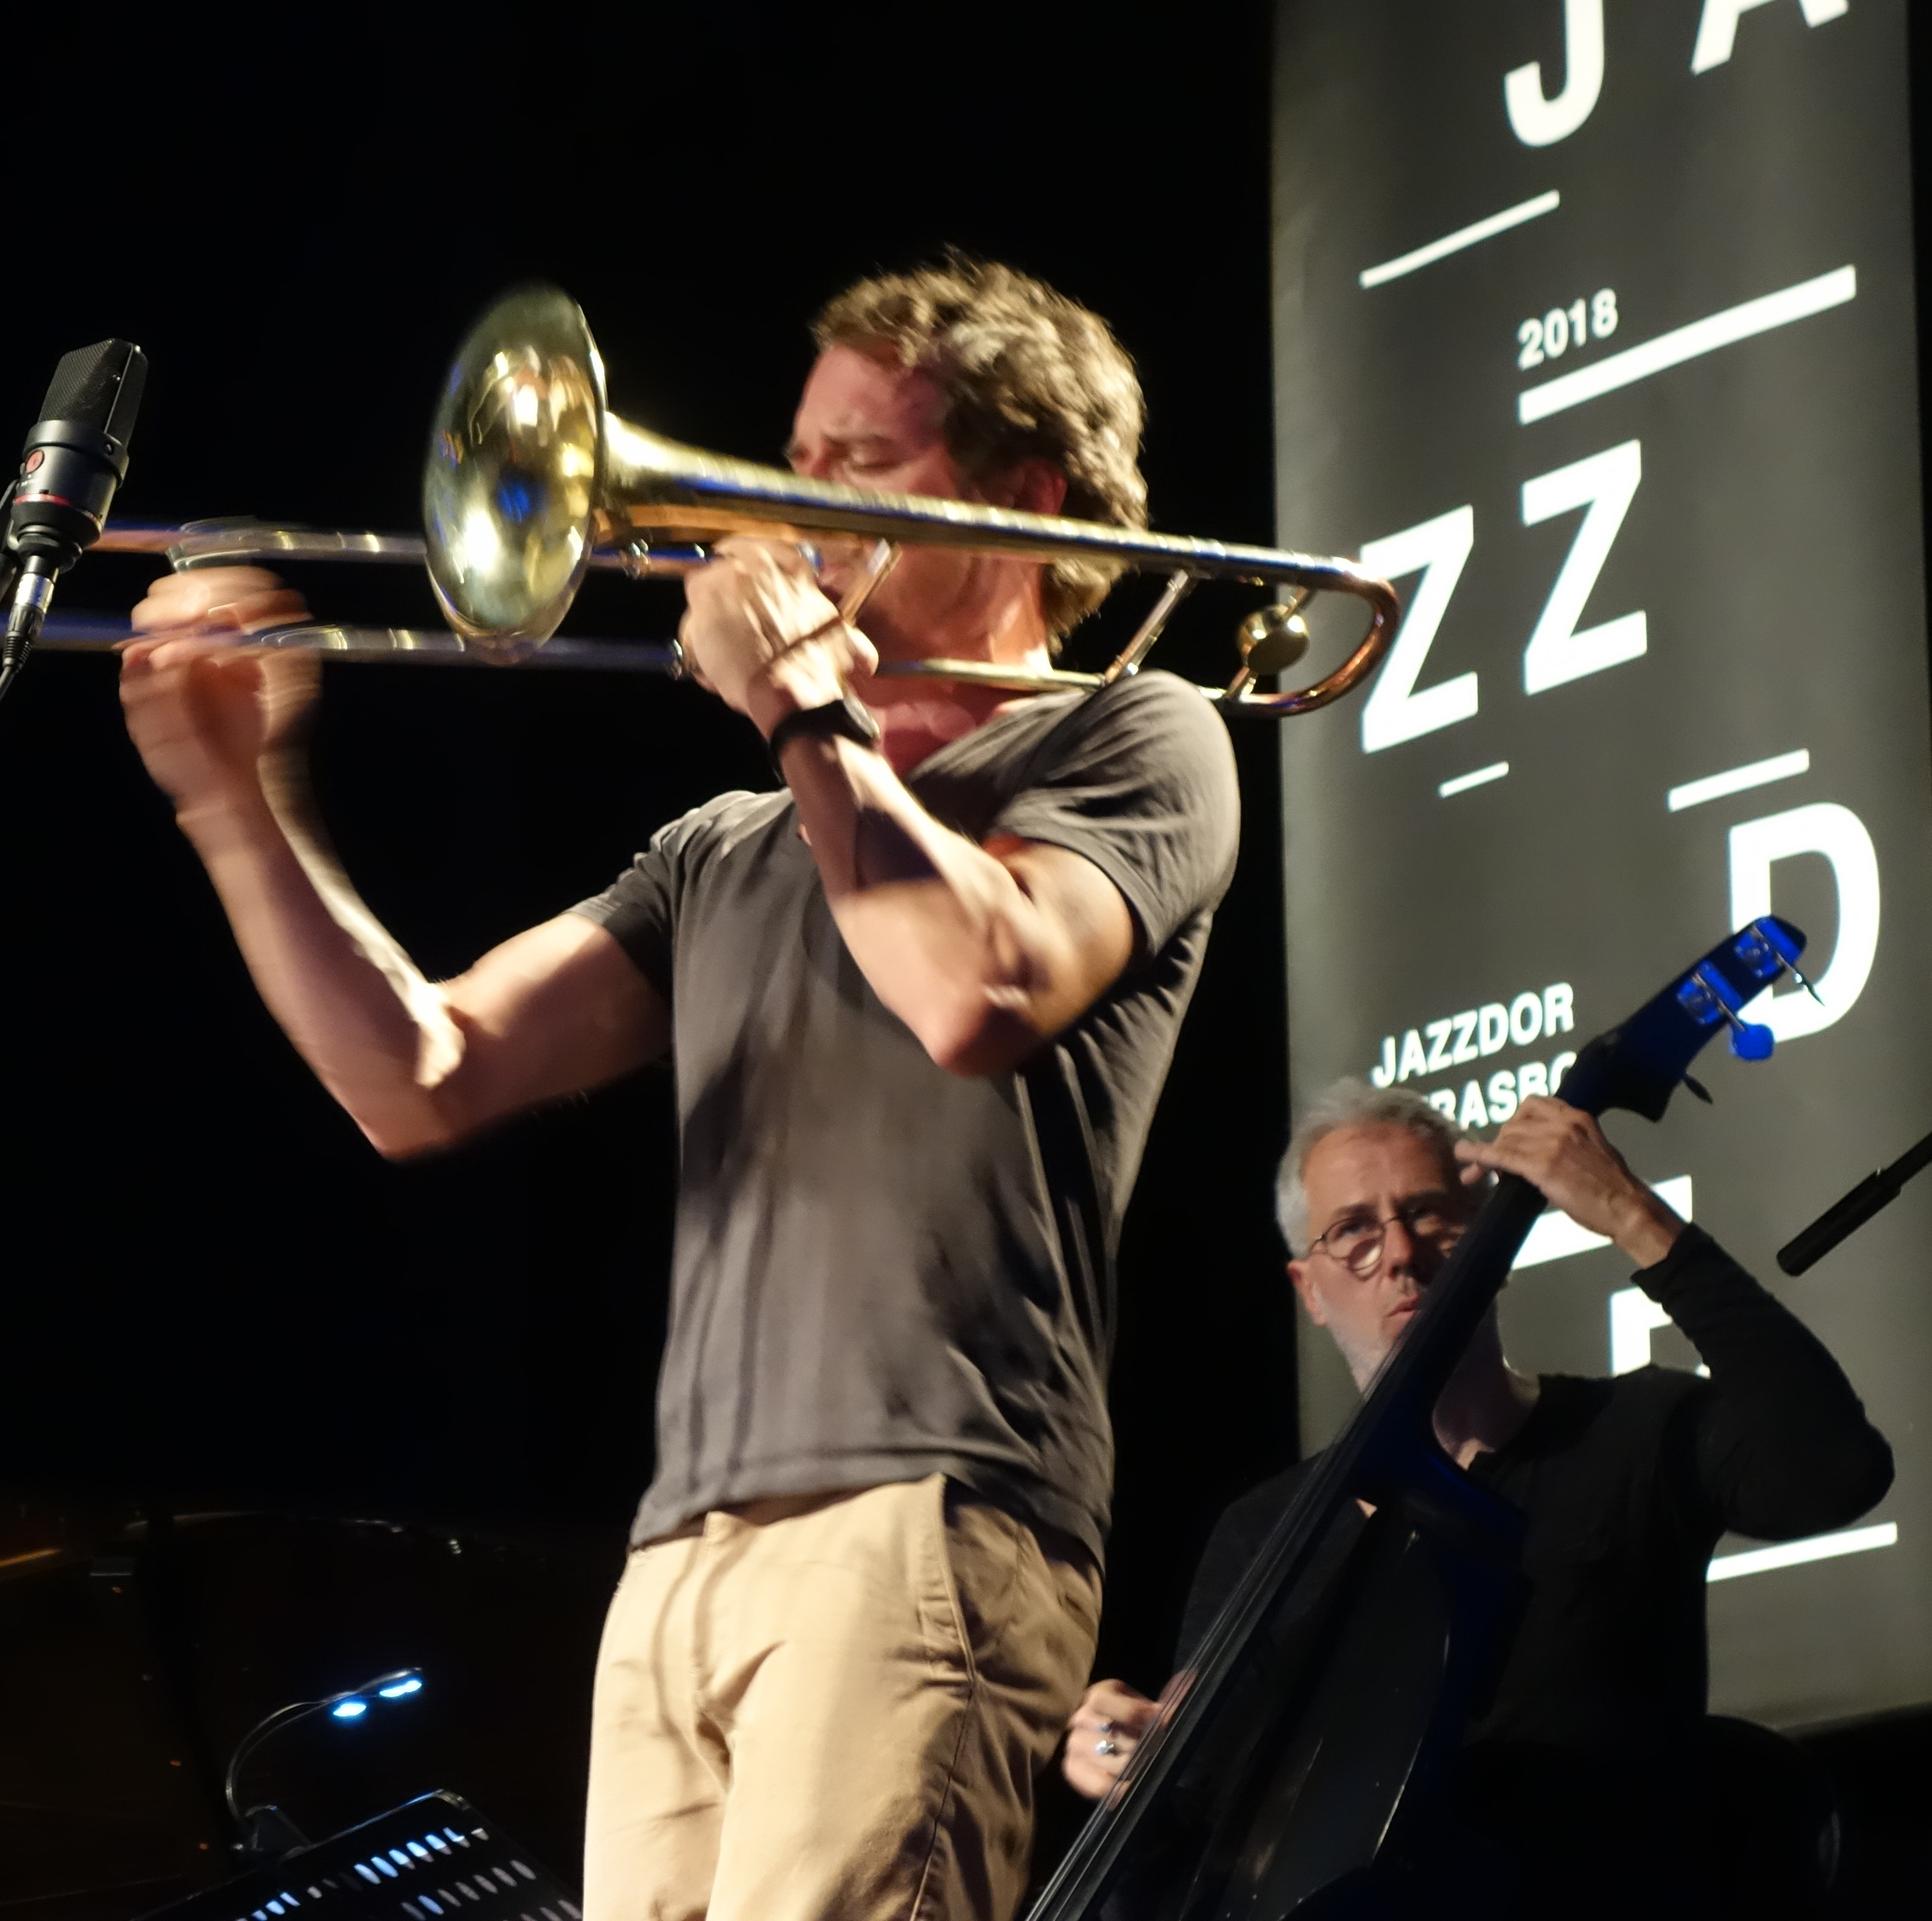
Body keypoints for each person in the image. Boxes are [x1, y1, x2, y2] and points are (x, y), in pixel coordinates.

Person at [121, 253, 1239, 1921]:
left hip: (929, 1514)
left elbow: (976, 989)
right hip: (682, 1556)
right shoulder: (725, 847)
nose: (791, 506)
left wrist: (803, 700)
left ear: (1027, 497)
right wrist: (240, 801)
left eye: (859, 465)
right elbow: (420, 1078)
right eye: (794, 457)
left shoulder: (1136, 735)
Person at [1061, 1080, 1894, 1915]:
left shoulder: (1636, 1430)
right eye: (1352, 1231)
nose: (1398, 1254)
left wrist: (1635, 1217)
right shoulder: (1264, 1532)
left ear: (1492, 1241)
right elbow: (1201, 1836)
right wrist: (1126, 1757)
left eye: (1428, 1215)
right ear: (1308, 1290)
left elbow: (1831, 1470)